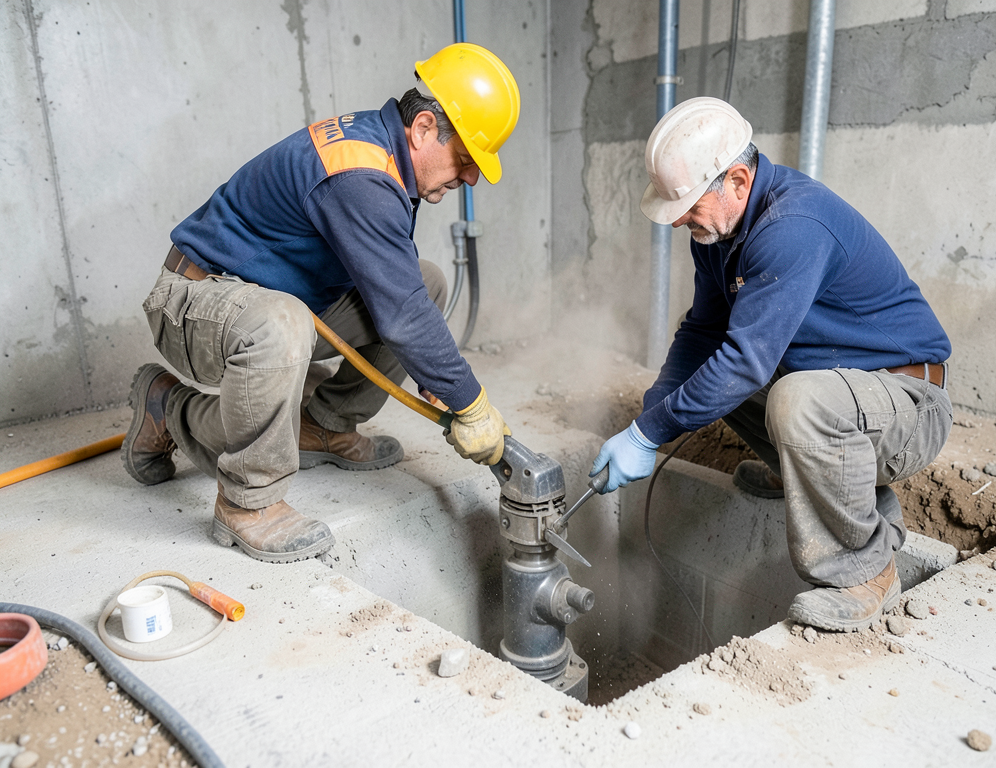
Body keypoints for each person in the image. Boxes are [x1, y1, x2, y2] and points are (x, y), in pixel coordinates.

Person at [121, 43, 518, 565]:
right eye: (465, 160)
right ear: (423, 128)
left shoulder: (383, 153)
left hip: (268, 298)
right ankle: (224, 474)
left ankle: (323, 425)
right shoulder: (360, 175)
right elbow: (402, 313)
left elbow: (401, 290)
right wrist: (470, 403)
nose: (469, 178)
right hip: (194, 299)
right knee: (283, 324)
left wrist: (437, 375)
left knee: (429, 282)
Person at [590, 97, 952, 633]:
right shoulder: (717, 235)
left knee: (787, 396)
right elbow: (702, 333)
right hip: (845, 396)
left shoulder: (792, 226)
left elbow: (746, 364)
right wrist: (650, 417)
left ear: (738, 181)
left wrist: (648, 436)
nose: (680, 220)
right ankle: (805, 476)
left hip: (908, 405)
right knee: (716, 377)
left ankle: (865, 572)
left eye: (688, 205)